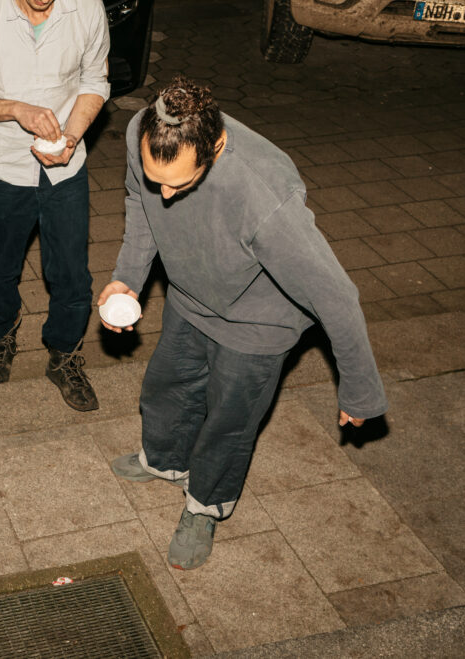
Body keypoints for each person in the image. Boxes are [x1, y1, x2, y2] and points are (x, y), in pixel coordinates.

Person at [100, 76, 388, 569]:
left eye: (178, 183)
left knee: (229, 422)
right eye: (156, 177)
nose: (164, 194)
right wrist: (127, 277)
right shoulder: (141, 134)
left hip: (259, 322)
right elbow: (140, 203)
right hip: (191, 294)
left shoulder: (265, 195)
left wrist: (360, 391)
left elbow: (336, 297)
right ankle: (166, 462)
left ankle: (206, 504)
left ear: (215, 147)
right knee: (167, 387)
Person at [0, 0, 111, 411]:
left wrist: (72, 135)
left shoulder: (89, 9)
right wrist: (15, 109)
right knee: (1, 268)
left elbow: (95, 82)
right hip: (2, 167)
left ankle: (65, 353)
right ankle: (1, 334)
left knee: (72, 273)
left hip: (66, 167)